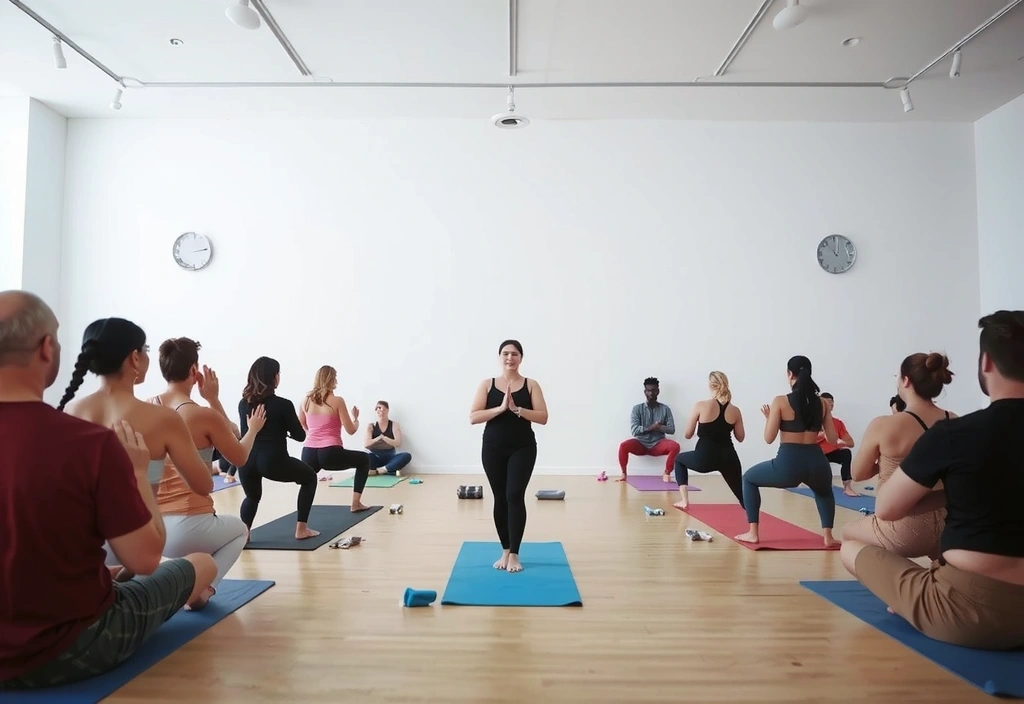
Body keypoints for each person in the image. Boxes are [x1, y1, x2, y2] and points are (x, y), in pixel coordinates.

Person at [0, 291, 216, 690]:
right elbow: (147, 558)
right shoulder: (86, 442)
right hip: (70, 647)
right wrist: (138, 474)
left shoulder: (76, 414)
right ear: (48, 348)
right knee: (201, 563)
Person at [841, 311, 1024, 650]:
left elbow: (887, 508)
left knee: (850, 546)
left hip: (967, 610)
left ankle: (911, 598)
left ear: (985, 363)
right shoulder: (949, 421)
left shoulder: (956, 434)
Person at [58, 318, 223, 603]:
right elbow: (203, 484)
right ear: (135, 357)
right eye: (145, 350)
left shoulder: (70, 410)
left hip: (85, 553)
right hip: (139, 548)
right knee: (204, 564)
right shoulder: (162, 418)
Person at [148, 337, 266, 585]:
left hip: (152, 527)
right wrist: (253, 428)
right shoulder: (202, 415)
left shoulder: (146, 408)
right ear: (194, 371)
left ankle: (191, 582)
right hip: (189, 525)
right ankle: (205, 588)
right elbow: (239, 455)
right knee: (240, 532)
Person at [840, 353, 957, 560]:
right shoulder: (954, 420)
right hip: (948, 524)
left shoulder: (884, 425)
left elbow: (857, 474)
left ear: (905, 380)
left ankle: (899, 587)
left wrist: (884, 464)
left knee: (849, 534)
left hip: (902, 528)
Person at [736, 355, 839, 547]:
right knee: (824, 492)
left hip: (789, 464)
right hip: (817, 462)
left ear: (789, 374)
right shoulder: (823, 403)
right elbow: (833, 439)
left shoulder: (781, 401)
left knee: (749, 478)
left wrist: (770, 418)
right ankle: (828, 537)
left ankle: (753, 533)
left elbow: (769, 438)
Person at [469, 339, 549, 573]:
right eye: (505, 353)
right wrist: (500, 408)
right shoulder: (487, 384)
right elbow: (473, 417)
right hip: (492, 448)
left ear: (521, 358)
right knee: (499, 497)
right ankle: (504, 549)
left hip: (522, 448)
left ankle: (514, 553)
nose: (509, 358)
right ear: (499, 357)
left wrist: (517, 409)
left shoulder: (531, 385)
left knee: (514, 495)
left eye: (514, 354)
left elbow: (543, 417)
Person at [237, 357, 320, 540]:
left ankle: (244, 535)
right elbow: (300, 436)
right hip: (273, 461)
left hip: (246, 461)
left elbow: (246, 432)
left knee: (252, 496)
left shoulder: (243, 404)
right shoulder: (283, 404)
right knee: (309, 478)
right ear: (274, 377)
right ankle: (301, 529)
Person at [297, 365, 372, 512]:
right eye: (335, 377)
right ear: (331, 380)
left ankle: (301, 524)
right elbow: (351, 430)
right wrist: (356, 419)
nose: (336, 380)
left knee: (308, 481)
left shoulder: (305, 400)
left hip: (308, 452)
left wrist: (313, 434)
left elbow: (302, 424)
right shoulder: (337, 400)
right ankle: (356, 503)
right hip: (330, 452)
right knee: (364, 459)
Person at [672, 371, 745, 510]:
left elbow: (687, 434)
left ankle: (684, 500)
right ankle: (755, 523)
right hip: (729, 458)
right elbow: (740, 438)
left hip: (705, 458)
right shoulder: (735, 410)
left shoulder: (700, 405)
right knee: (742, 495)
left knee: (679, 460)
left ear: (710, 385)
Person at [617, 377, 680, 482]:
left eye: (654, 390)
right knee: (624, 446)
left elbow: (672, 429)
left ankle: (667, 473)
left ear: (658, 391)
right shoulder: (637, 409)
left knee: (675, 446)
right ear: (645, 392)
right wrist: (651, 427)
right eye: (648, 390)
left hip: (658, 444)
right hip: (640, 444)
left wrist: (659, 427)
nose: (651, 393)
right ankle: (623, 474)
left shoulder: (665, 409)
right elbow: (634, 430)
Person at [816, 392, 858, 497]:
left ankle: (847, 487)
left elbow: (851, 443)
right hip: (817, 453)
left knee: (846, 453)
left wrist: (842, 442)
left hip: (832, 452)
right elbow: (806, 439)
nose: (830, 405)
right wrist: (824, 434)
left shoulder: (837, 423)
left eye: (831, 403)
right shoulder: (813, 422)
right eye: (826, 403)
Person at [364, 400, 412, 475]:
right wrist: (379, 438)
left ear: (387, 410)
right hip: (375, 457)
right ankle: (389, 470)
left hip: (390, 457)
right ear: (376, 410)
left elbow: (398, 443)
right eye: (378, 408)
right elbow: (366, 444)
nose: (381, 411)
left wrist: (385, 438)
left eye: (383, 409)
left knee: (406, 456)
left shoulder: (394, 425)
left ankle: (380, 470)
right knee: (366, 456)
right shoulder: (371, 426)